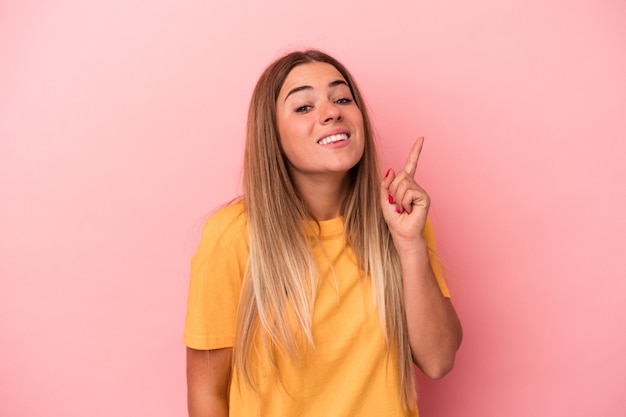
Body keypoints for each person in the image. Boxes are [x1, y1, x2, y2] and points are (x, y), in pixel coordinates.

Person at [184, 49, 462, 417]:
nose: (332, 112)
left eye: (342, 98)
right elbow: (207, 394)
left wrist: (409, 244)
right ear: (273, 136)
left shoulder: (400, 218)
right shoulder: (231, 236)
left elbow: (438, 360)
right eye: (303, 107)